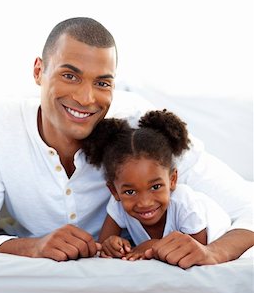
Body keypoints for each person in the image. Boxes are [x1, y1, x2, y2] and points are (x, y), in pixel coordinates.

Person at [0, 17, 253, 268]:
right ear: (38, 71)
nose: (86, 99)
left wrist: (215, 251)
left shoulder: (140, 131)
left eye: (102, 83)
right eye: (70, 75)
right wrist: (32, 246)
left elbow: (248, 206)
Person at [82, 109, 231, 260]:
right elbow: (103, 246)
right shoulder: (117, 205)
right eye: (130, 192)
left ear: (172, 180)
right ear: (114, 191)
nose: (145, 202)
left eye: (155, 187)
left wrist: (152, 245)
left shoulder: (184, 204)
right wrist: (112, 245)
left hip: (217, 234)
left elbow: (196, 252)